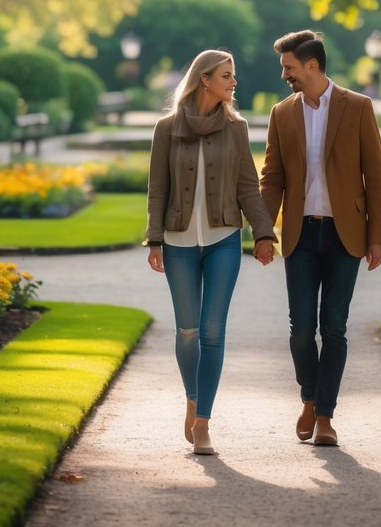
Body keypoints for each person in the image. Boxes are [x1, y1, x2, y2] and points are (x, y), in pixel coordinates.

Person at [256, 29, 381, 447]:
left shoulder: (358, 107)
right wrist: (263, 230)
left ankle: (326, 416)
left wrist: (378, 236)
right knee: (300, 329)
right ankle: (309, 400)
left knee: (334, 327)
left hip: (345, 235)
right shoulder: (282, 113)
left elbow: (376, 175)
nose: (285, 75)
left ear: (311, 66)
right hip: (300, 233)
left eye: (289, 68)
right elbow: (271, 176)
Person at [145, 49, 277, 456]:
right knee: (187, 332)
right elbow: (158, 188)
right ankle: (192, 397)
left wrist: (263, 233)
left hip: (222, 240)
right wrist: (154, 239)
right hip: (178, 241)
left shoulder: (236, 129)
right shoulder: (167, 128)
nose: (233, 82)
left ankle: (203, 421)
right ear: (204, 78)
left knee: (212, 332)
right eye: (226, 75)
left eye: (232, 75)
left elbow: (247, 187)